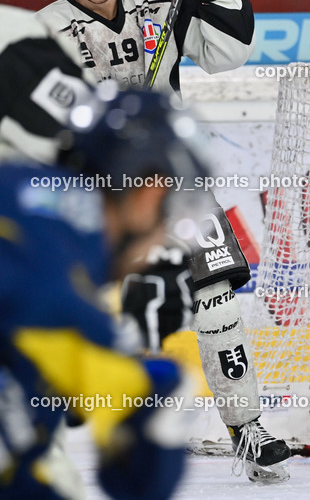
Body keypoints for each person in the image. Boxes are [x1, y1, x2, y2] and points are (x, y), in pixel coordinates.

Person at [30, 0, 292, 483]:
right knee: (65, 311)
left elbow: (230, 53)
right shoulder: (45, 29)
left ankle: (247, 425)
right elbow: (41, 120)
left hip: (174, 188)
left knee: (217, 297)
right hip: (93, 195)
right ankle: (44, 432)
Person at [0, 41, 200, 498]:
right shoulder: (53, 272)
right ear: (149, 193)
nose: (157, 251)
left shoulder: (47, 247)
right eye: (171, 220)